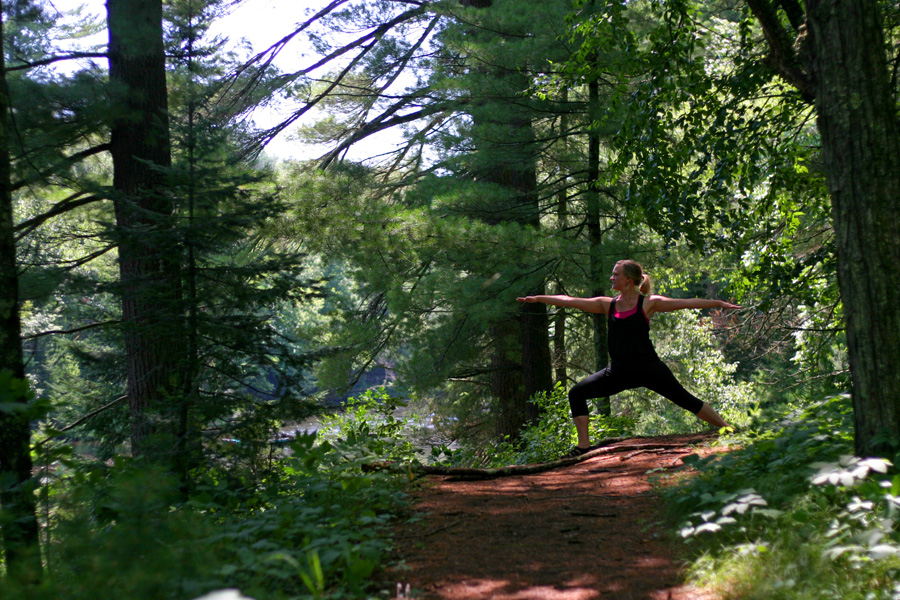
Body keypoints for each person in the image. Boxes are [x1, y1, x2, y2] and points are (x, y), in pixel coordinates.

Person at [517, 259, 739, 458]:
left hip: (650, 369)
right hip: (618, 372)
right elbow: (570, 300)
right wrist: (539, 299)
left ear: (629, 280)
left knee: (687, 400)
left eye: (616, 274)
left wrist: (718, 304)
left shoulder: (648, 303)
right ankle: (583, 446)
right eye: (612, 274)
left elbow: (687, 302)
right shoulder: (607, 304)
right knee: (577, 393)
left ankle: (730, 431)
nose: (612, 278)